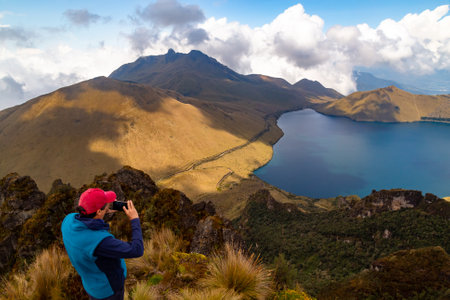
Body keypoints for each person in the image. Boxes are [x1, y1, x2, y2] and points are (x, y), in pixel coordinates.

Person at [61, 188, 144, 300]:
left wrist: (104, 210)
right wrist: (134, 220)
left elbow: (89, 218)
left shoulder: (68, 220)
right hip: (108, 290)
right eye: (106, 205)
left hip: (92, 285)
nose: (108, 206)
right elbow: (137, 250)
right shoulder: (100, 242)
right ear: (98, 211)